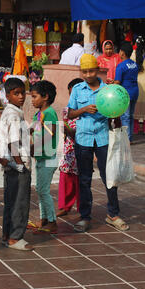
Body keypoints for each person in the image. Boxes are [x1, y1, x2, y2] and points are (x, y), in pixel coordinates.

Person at [68, 54, 129, 233]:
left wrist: (114, 113)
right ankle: (85, 217)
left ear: (98, 70)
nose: (88, 74)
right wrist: (84, 109)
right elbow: (70, 114)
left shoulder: (108, 90)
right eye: (85, 71)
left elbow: (117, 113)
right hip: (83, 139)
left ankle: (113, 214)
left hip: (103, 138)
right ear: (81, 72)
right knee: (85, 179)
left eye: (92, 70)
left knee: (109, 176)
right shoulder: (78, 89)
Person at [0, 77, 34, 250]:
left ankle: (7, 233)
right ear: (8, 95)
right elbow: (13, 142)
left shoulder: (11, 112)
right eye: (16, 93)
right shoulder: (13, 115)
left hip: (10, 164)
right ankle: (15, 237)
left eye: (22, 93)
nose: (21, 97)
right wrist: (20, 164)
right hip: (18, 164)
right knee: (20, 202)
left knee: (11, 200)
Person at [30, 80, 59, 233]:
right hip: (42, 157)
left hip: (48, 157)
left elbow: (49, 133)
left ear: (45, 97)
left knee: (43, 190)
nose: (32, 100)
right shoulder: (39, 113)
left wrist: (34, 148)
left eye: (35, 97)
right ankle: (44, 219)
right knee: (40, 189)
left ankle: (52, 221)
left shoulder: (49, 113)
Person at [56, 78, 83, 217]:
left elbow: (72, 131)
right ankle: (64, 206)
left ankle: (82, 208)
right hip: (69, 149)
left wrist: (67, 130)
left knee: (81, 180)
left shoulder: (88, 110)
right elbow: (67, 133)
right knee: (66, 177)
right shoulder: (66, 110)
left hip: (83, 148)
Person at [115, 42, 139, 142]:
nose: (119, 53)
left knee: (125, 116)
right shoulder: (135, 64)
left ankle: (126, 139)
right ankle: (130, 138)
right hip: (135, 91)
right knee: (131, 116)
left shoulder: (121, 66)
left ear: (123, 53)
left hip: (125, 93)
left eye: (120, 51)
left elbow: (117, 82)